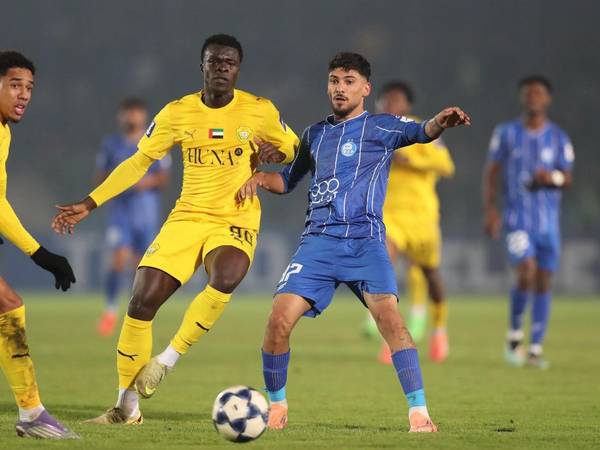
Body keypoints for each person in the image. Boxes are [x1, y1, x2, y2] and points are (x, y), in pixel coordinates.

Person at [51, 34, 299, 425]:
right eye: (214, 61)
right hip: (187, 217)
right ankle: (126, 407)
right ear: (202, 66)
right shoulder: (177, 113)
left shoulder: (259, 110)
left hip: (235, 217)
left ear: (238, 69)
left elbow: (296, 148)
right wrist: (89, 203)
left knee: (227, 275)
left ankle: (167, 360)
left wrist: (279, 153)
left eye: (229, 62)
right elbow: (138, 163)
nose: (222, 68)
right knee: (141, 301)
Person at [238, 52, 470, 432]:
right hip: (318, 242)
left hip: (366, 242)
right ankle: (276, 406)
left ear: (365, 89)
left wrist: (439, 122)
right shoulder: (313, 134)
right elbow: (288, 180)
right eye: (334, 80)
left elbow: (421, 131)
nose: (340, 88)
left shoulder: (382, 127)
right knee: (278, 321)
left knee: (392, 322)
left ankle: (419, 413)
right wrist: (263, 178)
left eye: (349, 81)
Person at [0, 50, 77, 439]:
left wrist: (39, 254)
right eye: (15, 85)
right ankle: (31, 414)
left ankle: (32, 413)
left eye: (29, 87)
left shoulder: (3, 132)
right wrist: (39, 253)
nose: (24, 95)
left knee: (7, 305)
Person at [483, 75, 574, 369]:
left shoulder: (559, 137)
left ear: (547, 98)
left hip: (548, 224)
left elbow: (567, 177)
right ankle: (514, 335)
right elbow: (492, 173)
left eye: (538, 93)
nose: (533, 97)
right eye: (528, 93)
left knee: (544, 281)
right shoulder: (506, 133)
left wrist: (552, 178)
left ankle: (535, 348)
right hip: (516, 220)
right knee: (526, 271)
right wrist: (490, 210)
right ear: (522, 98)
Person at [368, 81, 455, 364]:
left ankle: (439, 329)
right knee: (383, 269)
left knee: (431, 275)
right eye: (385, 100)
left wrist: (410, 162)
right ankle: (394, 339)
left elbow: (446, 166)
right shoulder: (374, 131)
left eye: (395, 100)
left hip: (422, 217)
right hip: (389, 216)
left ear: (407, 105)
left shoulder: (424, 130)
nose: (389, 105)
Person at [95, 98, 170, 337]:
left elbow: (163, 178)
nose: (132, 118)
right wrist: (121, 181)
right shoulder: (111, 145)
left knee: (141, 268)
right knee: (119, 259)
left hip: (146, 215)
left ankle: (133, 314)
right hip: (120, 214)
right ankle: (110, 310)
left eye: (136, 113)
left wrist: (142, 182)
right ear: (121, 116)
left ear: (144, 116)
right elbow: (100, 177)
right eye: (128, 113)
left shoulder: (155, 142)